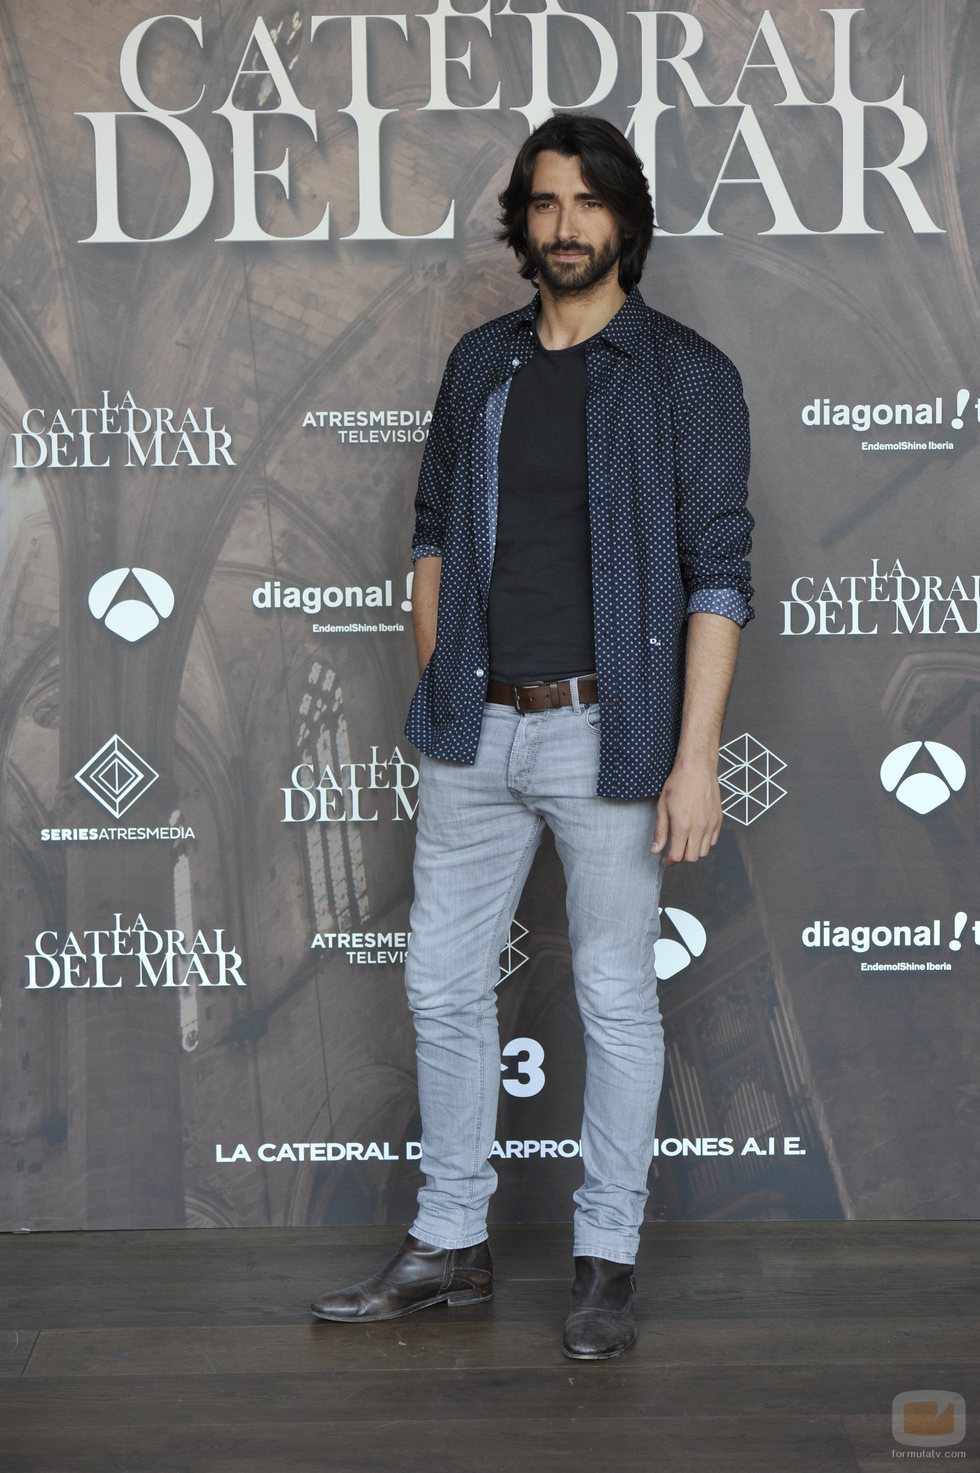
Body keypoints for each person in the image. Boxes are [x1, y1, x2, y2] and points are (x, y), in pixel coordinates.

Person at [311, 112, 754, 1360]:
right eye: (545, 203)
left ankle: (603, 1262)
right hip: (472, 734)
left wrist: (690, 756)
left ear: (624, 220)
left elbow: (717, 576)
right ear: (524, 220)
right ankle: (450, 1241)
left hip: (606, 735)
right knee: (442, 988)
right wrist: (449, 682)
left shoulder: (686, 374)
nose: (564, 226)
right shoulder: (479, 365)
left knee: (615, 998)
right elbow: (433, 537)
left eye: (586, 204)